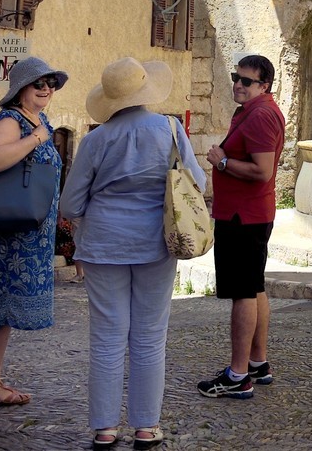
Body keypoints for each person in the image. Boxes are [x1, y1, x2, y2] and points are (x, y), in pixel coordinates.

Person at [61, 57, 203, 451]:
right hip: (156, 242)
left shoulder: (95, 140)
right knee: (150, 335)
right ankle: (146, 426)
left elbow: (70, 204)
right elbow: (198, 182)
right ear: (145, 91)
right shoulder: (170, 130)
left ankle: (105, 428)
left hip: (103, 244)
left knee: (107, 335)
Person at [0, 55, 66, 408]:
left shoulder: (39, 120)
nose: (46, 89)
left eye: (51, 83)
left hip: (20, 229)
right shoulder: (12, 120)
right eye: (39, 83)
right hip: (8, 233)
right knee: (0, 305)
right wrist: (35, 138)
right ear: (21, 87)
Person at [197, 54, 285, 400]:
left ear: (264, 86)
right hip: (249, 213)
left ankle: (237, 375)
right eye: (236, 77)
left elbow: (263, 171)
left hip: (242, 217)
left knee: (243, 293)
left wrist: (223, 162)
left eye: (247, 81)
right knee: (254, 287)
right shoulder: (254, 111)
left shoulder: (260, 115)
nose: (238, 84)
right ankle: (257, 362)